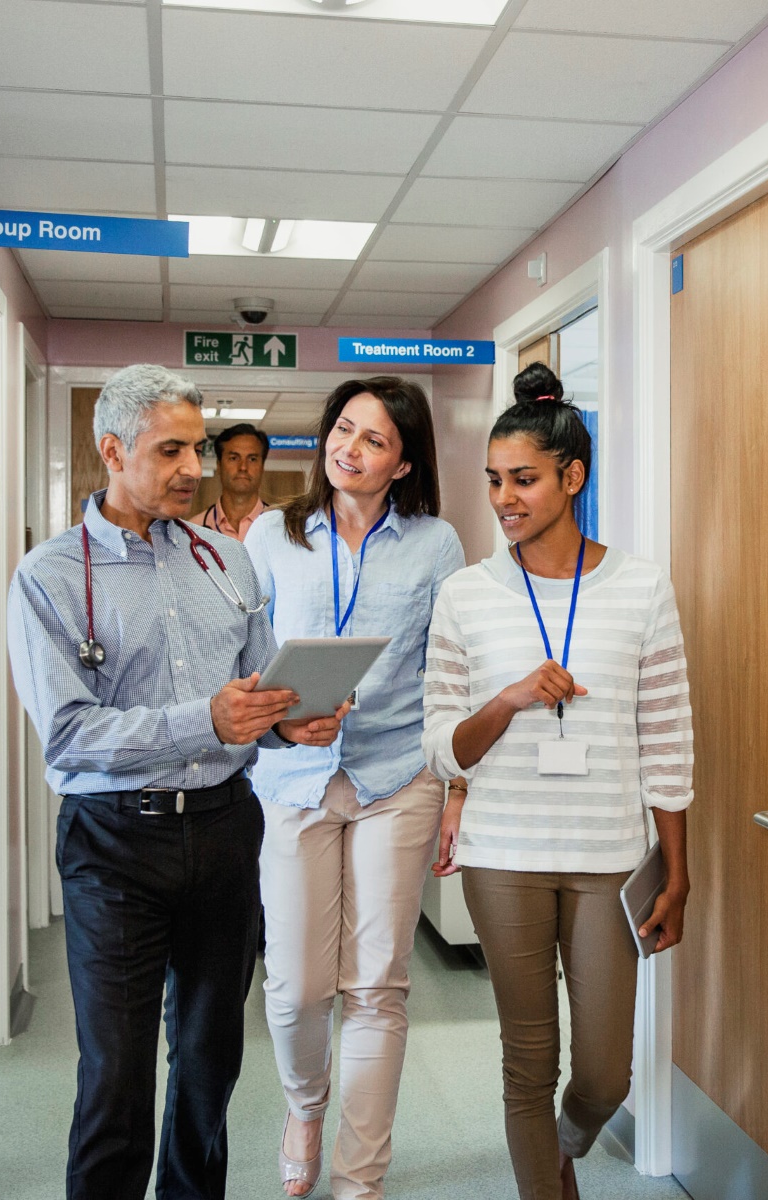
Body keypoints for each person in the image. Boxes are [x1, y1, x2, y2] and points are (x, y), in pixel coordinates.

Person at [6, 364, 347, 1200]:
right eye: (171, 450)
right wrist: (209, 719)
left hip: (226, 830)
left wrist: (283, 721)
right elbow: (68, 733)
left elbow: (252, 696)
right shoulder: (49, 577)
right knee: (116, 1078)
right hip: (114, 844)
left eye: (197, 446)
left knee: (208, 1066)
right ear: (112, 451)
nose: (194, 466)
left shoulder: (228, 562)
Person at [422, 364, 694, 1200]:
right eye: (496, 480)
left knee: (605, 1073)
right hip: (504, 854)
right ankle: (548, 1185)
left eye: (525, 480)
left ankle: (565, 1146)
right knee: (526, 1062)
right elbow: (444, 747)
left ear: (572, 478)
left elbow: (669, 738)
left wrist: (677, 871)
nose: (505, 498)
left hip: (609, 853)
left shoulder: (642, 586)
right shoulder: (465, 595)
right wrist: (505, 700)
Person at [242, 377, 465, 1199]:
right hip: (293, 778)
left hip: (396, 775)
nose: (351, 449)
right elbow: (242, 653)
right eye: (344, 429)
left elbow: (448, 673)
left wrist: (457, 791)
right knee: (298, 986)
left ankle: (359, 1177)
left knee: (378, 984)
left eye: (375, 440)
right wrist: (273, 720)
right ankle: (305, 1105)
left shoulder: (436, 544)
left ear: (404, 463)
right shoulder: (272, 534)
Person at [198, 422, 269, 540]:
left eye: (252, 459)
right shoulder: (194, 529)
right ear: (219, 465)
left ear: (262, 467)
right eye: (234, 458)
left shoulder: (282, 528)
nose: (243, 467)